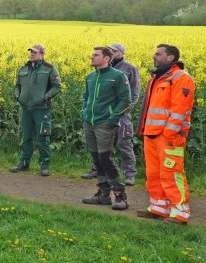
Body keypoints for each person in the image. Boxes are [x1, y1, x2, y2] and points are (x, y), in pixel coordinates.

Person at [136, 44, 195, 225]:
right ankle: (159, 208)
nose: (154, 56)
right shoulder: (157, 77)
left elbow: (180, 109)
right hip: (152, 134)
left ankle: (179, 214)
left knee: (172, 173)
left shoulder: (181, 78)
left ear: (170, 58)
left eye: (158, 54)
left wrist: (170, 133)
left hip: (169, 137)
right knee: (153, 173)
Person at [81, 42, 141, 185]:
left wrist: (119, 113)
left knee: (124, 143)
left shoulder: (128, 69)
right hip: (98, 118)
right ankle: (97, 172)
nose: (113, 53)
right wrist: (84, 113)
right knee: (100, 151)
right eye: (111, 50)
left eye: (115, 51)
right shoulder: (95, 74)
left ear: (121, 53)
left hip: (120, 114)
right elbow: (87, 97)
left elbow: (133, 93)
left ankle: (129, 174)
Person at [11, 44, 62, 176]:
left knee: (42, 137)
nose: (32, 54)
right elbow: (17, 86)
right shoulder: (23, 69)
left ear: (42, 54)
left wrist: (45, 97)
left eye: (34, 52)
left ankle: (44, 165)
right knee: (26, 137)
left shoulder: (49, 69)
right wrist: (18, 96)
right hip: (26, 108)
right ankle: (24, 163)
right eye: (31, 52)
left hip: (42, 109)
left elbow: (57, 87)